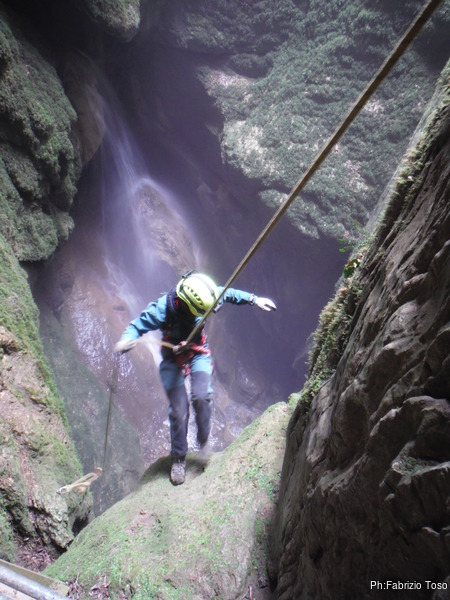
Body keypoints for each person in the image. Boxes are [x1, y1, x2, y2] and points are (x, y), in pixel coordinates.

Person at [114, 270, 276, 486]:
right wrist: (126, 340)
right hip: (172, 357)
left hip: (198, 351)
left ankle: (204, 440)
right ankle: (179, 458)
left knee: (201, 396)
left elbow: (227, 294)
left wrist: (254, 300)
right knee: (179, 409)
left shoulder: (206, 295)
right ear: (189, 306)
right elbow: (137, 326)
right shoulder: (162, 310)